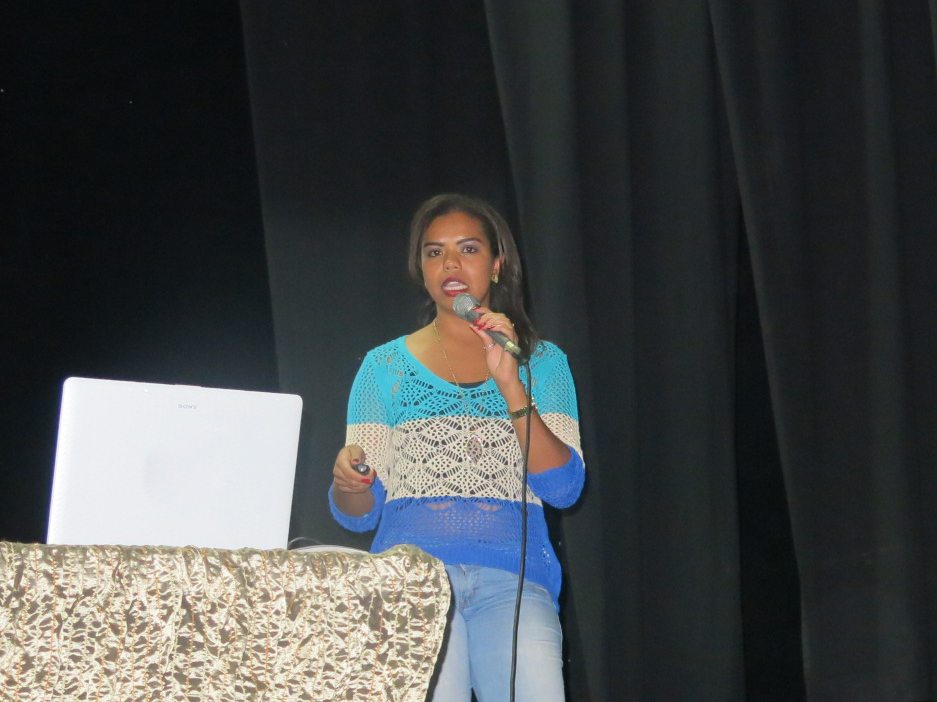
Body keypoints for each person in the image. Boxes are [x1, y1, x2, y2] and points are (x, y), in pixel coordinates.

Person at [329, 193, 585, 702]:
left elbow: (563, 488)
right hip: (410, 584)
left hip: (513, 583)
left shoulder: (542, 361)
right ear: (420, 268)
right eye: (434, 252)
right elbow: (358, 515)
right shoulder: (384, 367)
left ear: (497, 263)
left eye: (468, 249)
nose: (449, 264)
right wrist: (349, 482)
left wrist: (512, 385)